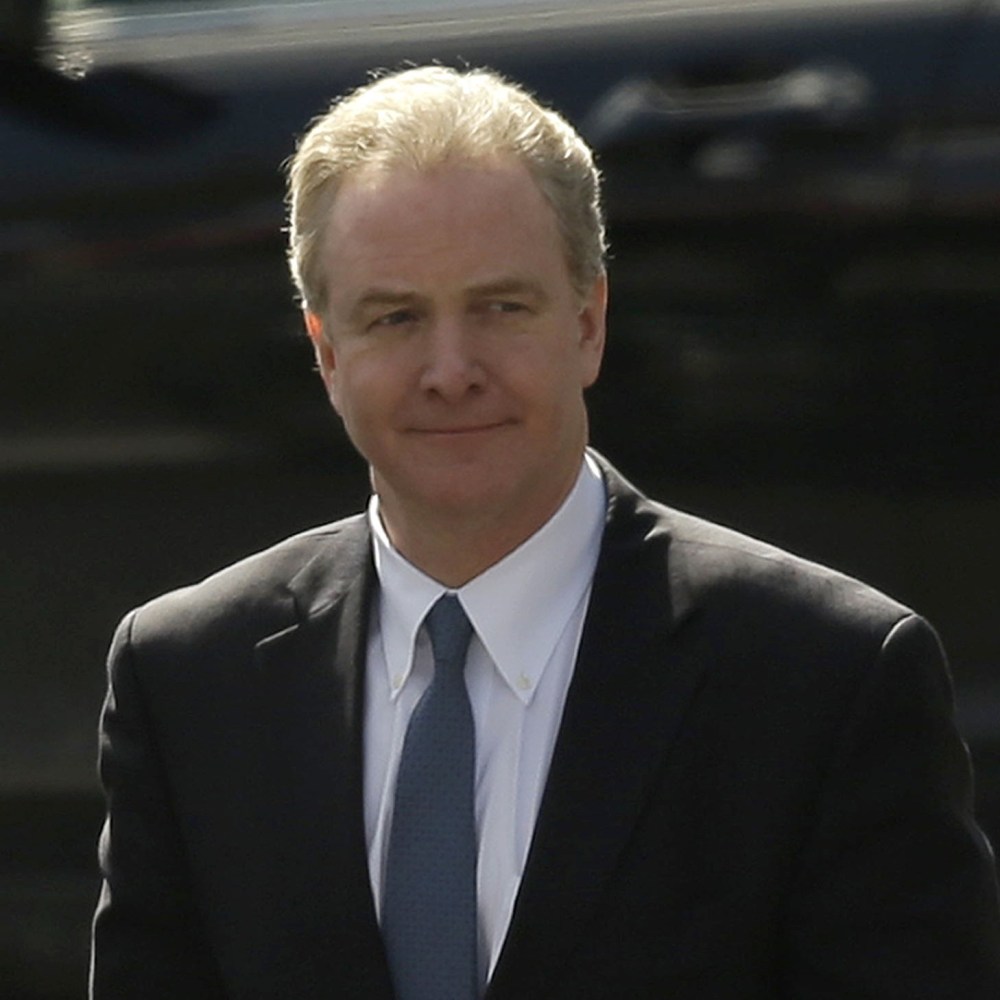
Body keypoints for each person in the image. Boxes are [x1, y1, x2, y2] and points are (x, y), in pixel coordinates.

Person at [90, 65, 1000, 999]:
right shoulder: (190, 677)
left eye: (500, 308)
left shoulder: (826, 678)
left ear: (590, 323)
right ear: (327, 354)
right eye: (396, 317)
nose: (451, 370)